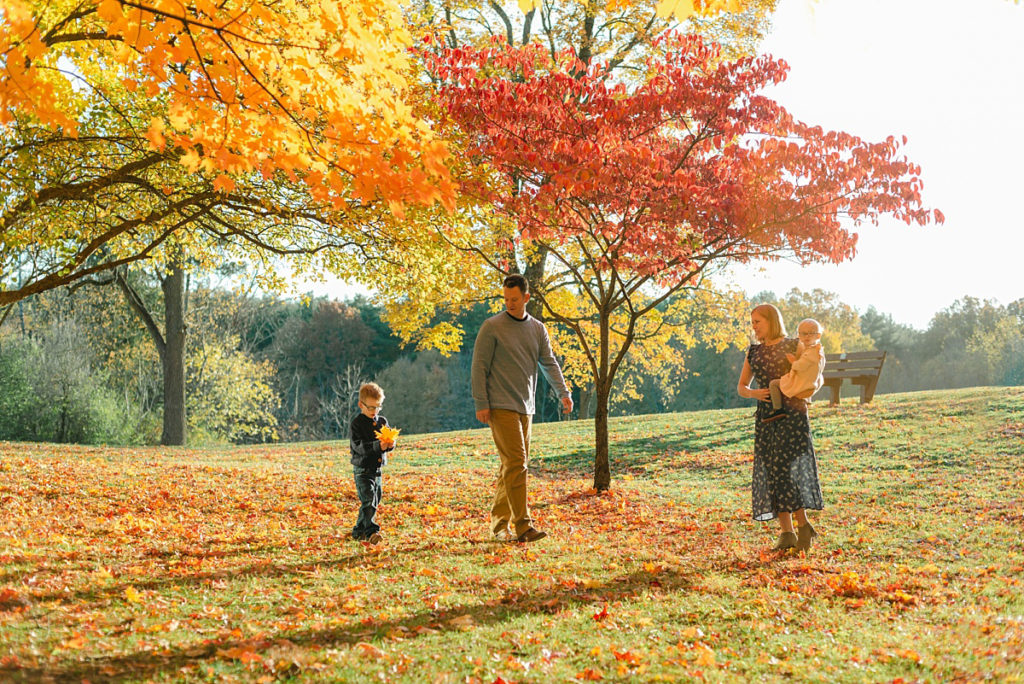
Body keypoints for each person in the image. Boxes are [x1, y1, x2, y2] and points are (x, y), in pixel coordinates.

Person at [471, 274, 573, 544]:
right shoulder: (492, 327)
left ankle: (497, 526)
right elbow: (479, 366)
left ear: (526, 298)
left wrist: (563, 393)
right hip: (500, 405)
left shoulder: (537, 329)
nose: (510, 304)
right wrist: (481, 402)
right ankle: (523, 526)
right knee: (517, 463)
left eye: (514, 299)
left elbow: (549, 363)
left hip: (525, 407)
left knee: (512, 466)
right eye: (506, 299)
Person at [736, 304, 823, 552]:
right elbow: (741, 387)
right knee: (774, 473)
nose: (753, 326)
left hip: (792, 416)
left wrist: (805, 394)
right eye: (752, 321)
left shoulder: (792, 344)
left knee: (790, 471)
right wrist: (754, 393)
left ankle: (803, 525)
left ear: (772, 321)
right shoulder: (753, 352)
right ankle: (788, 533)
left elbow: (811, 372)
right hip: (766, 417)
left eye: (758, 321)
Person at [349, 382, 395, 544]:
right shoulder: (357, 424)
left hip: (377, 469)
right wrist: (377, 446)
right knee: (368, 499)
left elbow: (388, 440)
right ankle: (371, 532)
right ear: (361, 405)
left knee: (375, 499)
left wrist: (390, 444)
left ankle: (358, 530)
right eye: (371, 407)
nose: (374, 411)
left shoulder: (382, 421)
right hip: (362, 469)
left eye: (378, 407)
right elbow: (359, 446)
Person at [763, 318, 826, 423]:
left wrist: (793, 361)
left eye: (811, 333)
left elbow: (800, 366)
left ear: (818, 336)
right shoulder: (817, 350)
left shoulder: (812, 353)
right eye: (803, 333)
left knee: (774, 384)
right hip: (811, 380)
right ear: (799, 336)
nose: (807, 336)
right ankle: (807, 400)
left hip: (804, 384)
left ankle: (778, 409)